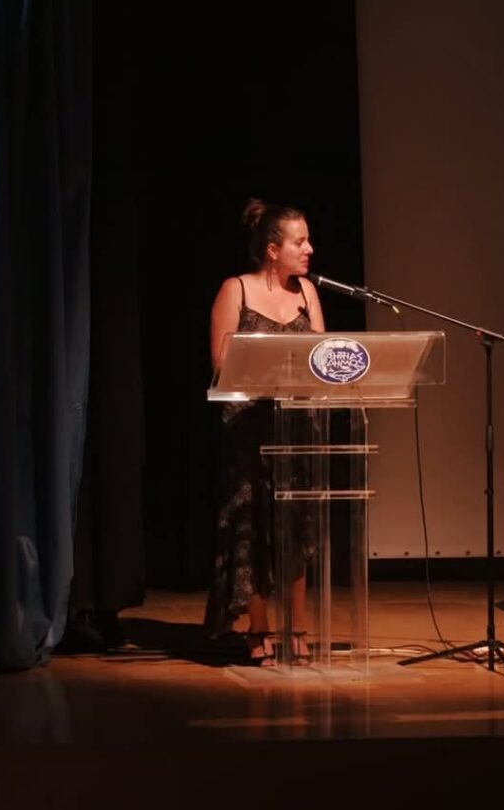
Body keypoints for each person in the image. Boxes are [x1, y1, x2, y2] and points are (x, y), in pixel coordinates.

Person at [203, 198, 326, 665]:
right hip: (249, 430)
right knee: (251, 526)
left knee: (298, 526)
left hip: (298, 427)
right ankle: (258, 628)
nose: (309, 249)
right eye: (300, 242)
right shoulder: (236, 289)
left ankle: (298, 626)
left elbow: (323, 358)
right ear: (273, 250)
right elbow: (221, 363)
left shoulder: (307, 293)